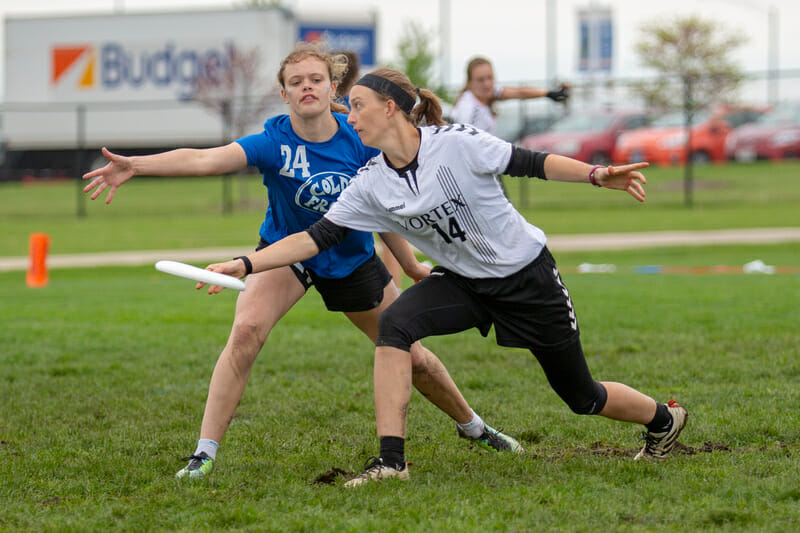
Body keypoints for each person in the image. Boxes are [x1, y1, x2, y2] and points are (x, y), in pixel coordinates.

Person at [201, 67, 689, 487]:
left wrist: (596, 175)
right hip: (462, 281)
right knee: (395, 327)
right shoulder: (369, 181)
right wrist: (245, 264)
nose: (349, 117)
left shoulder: (456, 144)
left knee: (582, 396)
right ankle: (392, 462)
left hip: (527, 279)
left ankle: (665, 419)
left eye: (358, 106)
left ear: (390, 108)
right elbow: (316, 237)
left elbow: (532, 163)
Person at [82, 44, 522, 480]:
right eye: (296, 82)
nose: (306, 87)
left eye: (315, 80)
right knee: (246, 333)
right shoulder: (273, 140)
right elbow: (206, 158)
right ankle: (203, 454)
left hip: (350, 259)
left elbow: (383, 211)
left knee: (415, 357)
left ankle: (474, 427)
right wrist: (136, 165)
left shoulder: (360, 139)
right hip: (284, 254)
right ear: (284, 94)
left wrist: (408, 265)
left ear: (332, 87)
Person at [335, 49, 404, 289]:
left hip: (360, 172)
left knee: (385, 230)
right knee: (389, 230)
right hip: (366, 173)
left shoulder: (347, 100)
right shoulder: (359, 98)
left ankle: (393, 287)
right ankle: (395, 286)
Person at [451, 56, 569, 136]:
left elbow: (519, 93)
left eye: (490, 78)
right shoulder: (468, 109)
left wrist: (548, 94)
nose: (487, 84)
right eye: (480, 80)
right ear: (469, 83)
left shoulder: (486, 94)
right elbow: (462, 145)